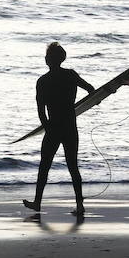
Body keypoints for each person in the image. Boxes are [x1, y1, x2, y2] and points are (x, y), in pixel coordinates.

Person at [23, 42, 114, 217]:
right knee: (73, 166)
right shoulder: (71, 75)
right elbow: (91, 91)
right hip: (70, 126)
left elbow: (41, 111)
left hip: (53, 127)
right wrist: (97, 99)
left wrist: (48, 128)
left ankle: (37, 203)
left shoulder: (42, 81)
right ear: (62, 59)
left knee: (44, 166)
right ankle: (79, 206)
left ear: (47, 60)